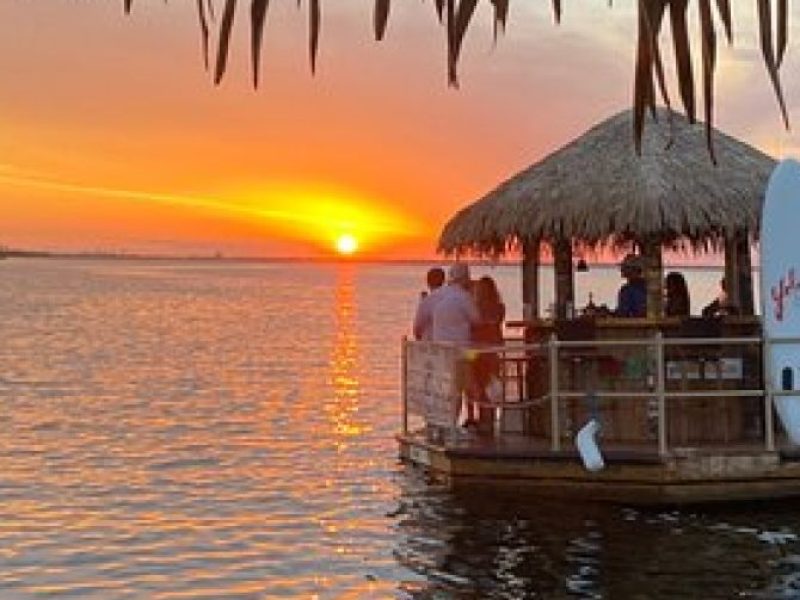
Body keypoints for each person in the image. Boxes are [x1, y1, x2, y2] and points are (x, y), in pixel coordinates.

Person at [432, 262, 481, 426]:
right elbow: (476, 320)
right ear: (464, 279)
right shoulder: (463, 297)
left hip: (441, 352)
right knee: (464, 386)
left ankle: (447, 422)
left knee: (448, 389)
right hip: (462, 353)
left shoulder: (439, 295)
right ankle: (458, 422)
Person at [472, 276, 506, 431]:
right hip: (485, 349)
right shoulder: (496, 306)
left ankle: (486, 418)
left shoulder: (491, 307)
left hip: (486, 349)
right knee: (484, 384)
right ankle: (485, 418)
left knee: (486, 384)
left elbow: (487, 323)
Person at [412, 267, 446, 340]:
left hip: (430, 345)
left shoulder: (427, 301)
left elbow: (417, 329)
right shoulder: (451, 298)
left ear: (428, 282)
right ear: (443, 281)